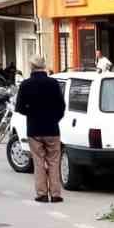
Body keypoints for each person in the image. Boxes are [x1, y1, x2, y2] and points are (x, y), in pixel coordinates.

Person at [15, 56, 66, 203]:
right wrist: (55, 118)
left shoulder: (25, 84)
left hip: (34, 129)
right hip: (52, 129)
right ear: (44, 66)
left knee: (38, 161)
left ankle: (42, 194)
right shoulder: (53, 83)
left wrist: (30, 113)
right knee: (54, 161)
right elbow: (62, 106)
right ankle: (56, 194)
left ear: (31, 67)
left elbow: (19, 107)